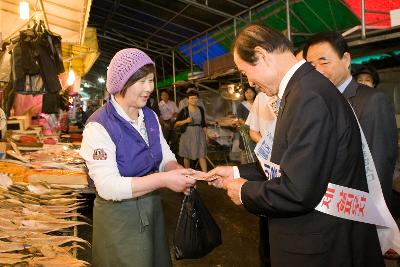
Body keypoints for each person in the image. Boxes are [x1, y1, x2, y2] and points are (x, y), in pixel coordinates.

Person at [205, 23, 384, 267]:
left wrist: (245, 191)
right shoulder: (301, 90)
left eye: (244, 70)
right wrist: (235, 171)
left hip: (317, 245)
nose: (249, 80)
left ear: (261, 55)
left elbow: (299, 191)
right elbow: (288, 161)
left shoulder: (307, 96)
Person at [79, 48, 196, 267]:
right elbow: (107, 186)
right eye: (142, 81)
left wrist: (177, 170)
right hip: (119, 220)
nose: (150, 88)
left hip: (152, 209)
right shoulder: (99, 126)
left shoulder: (149, 116)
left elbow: (163, 155)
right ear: (122, 83)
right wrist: (163, 180)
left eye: (151, 81)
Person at [303, 31, 397, 207]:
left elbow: (380, 166)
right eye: (311, 66)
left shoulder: (372, 101)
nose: (317, 71)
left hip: (359, 210)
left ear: (345, 60)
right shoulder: (316, 101)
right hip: (328, 205)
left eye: (324, 62)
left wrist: (375, 216)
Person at [175, 90, 208, 172]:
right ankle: (188, 173)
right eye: (191, 98)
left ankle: (206, 175)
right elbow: (176, 123)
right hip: (187, 134)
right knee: (187, 155)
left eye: (195, 98)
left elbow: (203, 124)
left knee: (202, 155)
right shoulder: (184, 110)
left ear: (198, 99)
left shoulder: (200, 109)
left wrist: (206, 135)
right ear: (188, 99)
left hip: (199, 133)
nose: (194, 100)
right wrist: (185, 121)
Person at [236, 86, 257, 164]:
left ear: (254, 93)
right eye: (246, 92)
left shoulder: (257, 103)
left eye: (250, 92)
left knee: (257, 150)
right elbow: (240, 119)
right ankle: (244, 169)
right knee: (245, 150)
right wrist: (249, 126)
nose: (248, 94)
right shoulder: (241, 105)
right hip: (246, 130)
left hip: (257, 130)